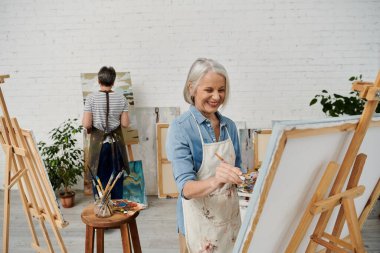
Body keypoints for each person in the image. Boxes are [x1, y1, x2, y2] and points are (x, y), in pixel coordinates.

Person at [166, 58, 243, 253]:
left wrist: (248, 179)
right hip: (198, 226)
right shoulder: (181, 128)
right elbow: (186, 189)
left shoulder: (230, 127)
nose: (216, 96)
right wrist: (217, 180)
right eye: (209, 90)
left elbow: (239, 170)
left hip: (230, 221)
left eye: (221, 90)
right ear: (192, 88)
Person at [82, 66, 130, 199]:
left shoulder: (91, 98)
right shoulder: (122, 98)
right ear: (113, 81)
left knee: (98, 178)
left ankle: (102, 209)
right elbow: (125, 124)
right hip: (116, 145)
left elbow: (86, 124)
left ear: (99, 80)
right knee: (116, 179)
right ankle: (116, 210)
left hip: (98, 146)